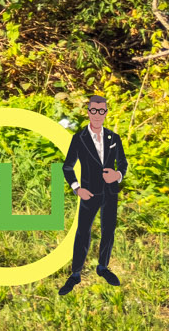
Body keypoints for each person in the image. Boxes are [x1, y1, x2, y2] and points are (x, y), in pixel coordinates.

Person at [58, 95, 126, 295]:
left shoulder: (114, 138)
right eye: (94, 110)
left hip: (110, 192)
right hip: (89, 193)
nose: (98, 115)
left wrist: (118, 175)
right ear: (88, 112)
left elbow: (122, 163)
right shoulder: (79, 139)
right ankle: (76, 273)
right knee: (83, 232)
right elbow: (67, 167)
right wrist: (77, 188)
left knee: (108, 230)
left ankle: (103, 267)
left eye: (102, 111)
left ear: (106, 113)